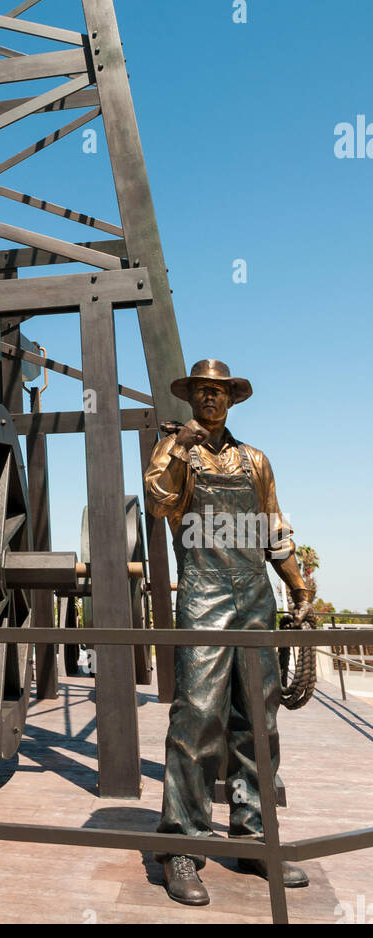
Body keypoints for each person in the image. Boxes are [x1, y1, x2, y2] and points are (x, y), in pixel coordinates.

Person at [144, 360, 315, 907]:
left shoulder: (255, 460)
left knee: (256, 721)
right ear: (191, 399)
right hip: (203, 594)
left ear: (232, 400)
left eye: (218, 393)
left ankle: (253, 836)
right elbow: (159, 501)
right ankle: (182, 845)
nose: (210, 400)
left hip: (255, 597)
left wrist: (297, 584)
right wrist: (179, 445)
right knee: (197, 716)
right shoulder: (175, 451)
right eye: (201, 392)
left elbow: (273, 526)